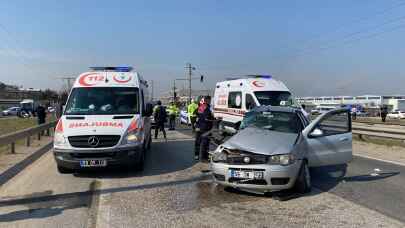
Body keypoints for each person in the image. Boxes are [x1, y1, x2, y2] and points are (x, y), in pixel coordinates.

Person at [194, 97, 214, 161]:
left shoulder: (201, 107)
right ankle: (204, 157)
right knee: (205, 143)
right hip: (205, 128)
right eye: (209, 100)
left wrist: (196, 124)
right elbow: (206, 118)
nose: (210, 102)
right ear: (207, 101)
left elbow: (195, 114)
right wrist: (215, 120)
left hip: (199, 127)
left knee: (198, 142)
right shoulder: (207, 108)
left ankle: (196, 155)